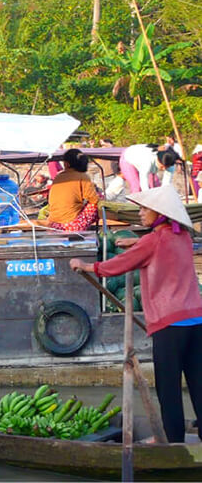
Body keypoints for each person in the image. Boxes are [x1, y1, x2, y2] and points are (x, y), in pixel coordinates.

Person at [69, 185, 202, 443]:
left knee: (168, 387)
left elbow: (119, 265)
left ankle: (172, 441)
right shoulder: (182, 236)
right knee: (198, 382)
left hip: (170, 324)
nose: (140, 213)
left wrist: (86, 265)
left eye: (144, 209)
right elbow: (157, 247)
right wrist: (136, 242)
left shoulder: (153, 241)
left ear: (160, 214)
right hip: (197, 320)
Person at [47, 148, 99, 231]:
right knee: (97, 202)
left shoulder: (58, 176)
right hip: (71, 225)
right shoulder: (83, 176)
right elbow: (94, 199)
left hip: (53, 224)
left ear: (66, 164)